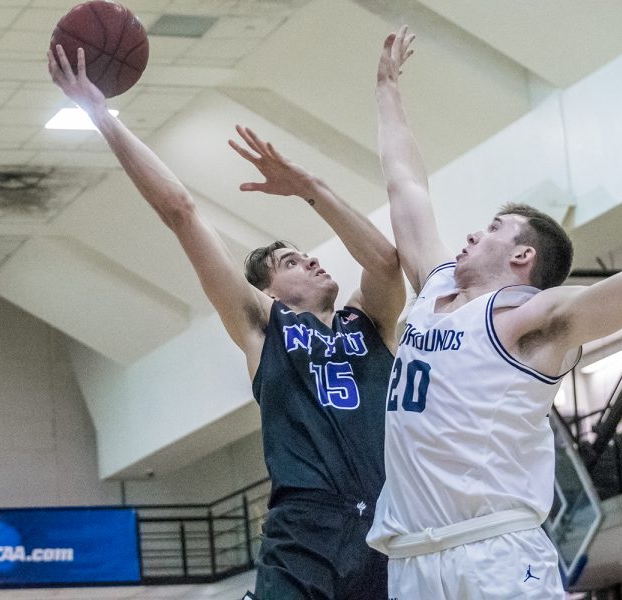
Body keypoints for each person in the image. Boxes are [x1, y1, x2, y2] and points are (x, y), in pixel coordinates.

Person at [366, 26, 622, 599]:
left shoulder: (532, 322)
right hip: (410, 561)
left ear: (524, 256)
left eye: (495, 228)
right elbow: (405, 186)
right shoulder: (433, 288)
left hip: (493, 553)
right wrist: (386, 90)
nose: (474, 231)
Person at [48, 46, 405, 600]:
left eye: (306, 255)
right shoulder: (264, 327)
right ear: (266, 292)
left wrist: (311, 188)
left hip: (389, 526)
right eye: (290, 262)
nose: (311, 260)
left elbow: (384, 260)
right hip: (306, 532)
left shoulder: (371, 322)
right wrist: (100, 114)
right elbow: (180, 211)